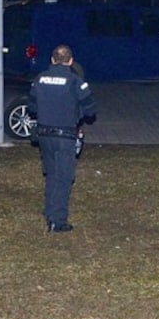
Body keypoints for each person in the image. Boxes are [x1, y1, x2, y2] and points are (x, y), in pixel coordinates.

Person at [28, 45, 97, 232]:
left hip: (43, 136)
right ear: (70, 61)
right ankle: (57, 221)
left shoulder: (39, 79)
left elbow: (32, 108)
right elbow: (90, 110)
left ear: (52, 60)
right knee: (64, 177)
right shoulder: (76, 81)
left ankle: (49, 211)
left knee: (51, 174)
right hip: (65, 136)